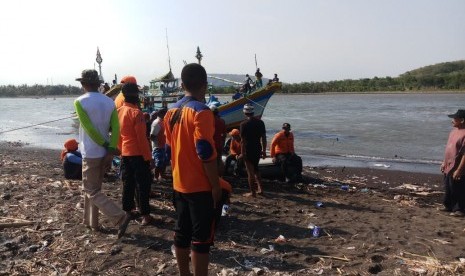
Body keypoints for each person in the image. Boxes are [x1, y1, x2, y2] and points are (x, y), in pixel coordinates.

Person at [164, 63, 221, 276]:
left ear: (181, 84)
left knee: (181, 233)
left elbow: (169, 148)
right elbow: (204, 151)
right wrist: (215, 185)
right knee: (201, 238)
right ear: (204, 86)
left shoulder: (171, 111)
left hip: (179, 183)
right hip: (199, 187)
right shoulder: (202, 112)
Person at [74, 69, 130, 238]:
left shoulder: (79, 102)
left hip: (91, 152)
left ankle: (120, 216)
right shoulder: (109, 102)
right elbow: (116, 128)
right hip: (105, 153)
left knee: (90, 190)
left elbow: (90, 129)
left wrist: (106, 144)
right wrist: (111, 148)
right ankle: (91, 223)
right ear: (98, 84)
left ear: (83, 84)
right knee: (94, 189)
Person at [117, 83, 154, 226]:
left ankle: (128, 211)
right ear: (137, 96)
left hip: (125, 153)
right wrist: (149, 158)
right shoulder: (136, 113)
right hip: (138, 154)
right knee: (143, 185)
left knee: (128, 183)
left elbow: (118, 136)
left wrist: (121, 151)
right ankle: (145, 215)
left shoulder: (119, 111)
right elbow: (142, 139)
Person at [440, 109, 465, 217]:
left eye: (455, 119)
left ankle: (459, 209)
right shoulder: (453, 131)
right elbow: (448, 149)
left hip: (458, 166)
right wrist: (443, 162)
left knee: (457, 188)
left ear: (462, 120)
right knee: (448, 187)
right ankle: (448, 206)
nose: (452, 121)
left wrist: (459, 170)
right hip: (448, 164)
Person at [240, 103, 266, 197]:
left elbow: (242, 141)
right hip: (257, 148)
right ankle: (261, 189)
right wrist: (263, 151)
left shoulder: (243, 124)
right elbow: (263, 138)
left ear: (244, 112)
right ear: (253, 112)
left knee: (250, 172)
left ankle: (253, 192)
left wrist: (242, 153)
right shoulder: (260, 122)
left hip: (248, 149)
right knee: (256, 169)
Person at [150, 108, 168, 182]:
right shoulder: (157, 123)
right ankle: (156, 177)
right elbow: (152, 136)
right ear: (161, 114)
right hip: (158, 146)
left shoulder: (162, 122)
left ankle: (161, 176)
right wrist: (156, 145)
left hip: (162, 145)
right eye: (165, 114)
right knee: (158, 163)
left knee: (162, 162)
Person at [211, 105, 226, 176]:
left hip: (211, 144)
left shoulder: (209, 121)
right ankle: (221, 176)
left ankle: (213, 176)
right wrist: (223, 143)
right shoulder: (222, 121)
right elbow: (224, 134)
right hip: (219, 144)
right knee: (219, 160)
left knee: (211, 161)